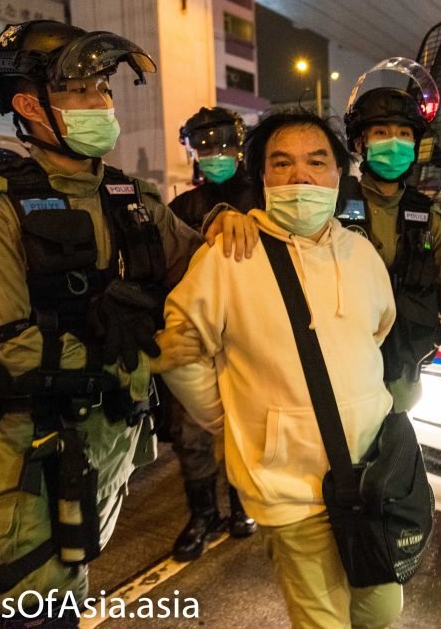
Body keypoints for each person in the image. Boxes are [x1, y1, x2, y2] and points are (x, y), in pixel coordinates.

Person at [0, 20, 204, 628]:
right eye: (81, 92)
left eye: (103, 90)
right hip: (37, 464)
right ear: (31, 104)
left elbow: (204, 269)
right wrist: (139, 348)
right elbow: (3, 353)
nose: (101, 105)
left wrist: (232, 229)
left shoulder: (132, 196)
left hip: (110, 451)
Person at [162, 110, 403, 628]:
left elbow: (378, 331)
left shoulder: (362, 253)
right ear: (263, 177)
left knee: (381, 609)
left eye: (317, 162)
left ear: (339, 175)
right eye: (282, 163)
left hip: (372, 477)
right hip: (290, 488)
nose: (301, 177)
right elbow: (179, 345)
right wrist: (228, 420)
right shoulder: (231, 254)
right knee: (324, 620)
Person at [343, 85, 441, 413]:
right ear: (361, 142)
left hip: (401, 384)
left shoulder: (427, 219)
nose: (394, 142)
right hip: (341, 379)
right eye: (382, 132)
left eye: (404, 134)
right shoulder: (333, 207)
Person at [167, 107, 257, 559]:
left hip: (251, 335)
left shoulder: (263, 197)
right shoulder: (181, 207)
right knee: (192, 436)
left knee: (245, 427)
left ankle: (244, 504)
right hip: (199, 340)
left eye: (223, 145)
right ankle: (203, 514)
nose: (215, 155)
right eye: (204, 147)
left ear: (240, 145)